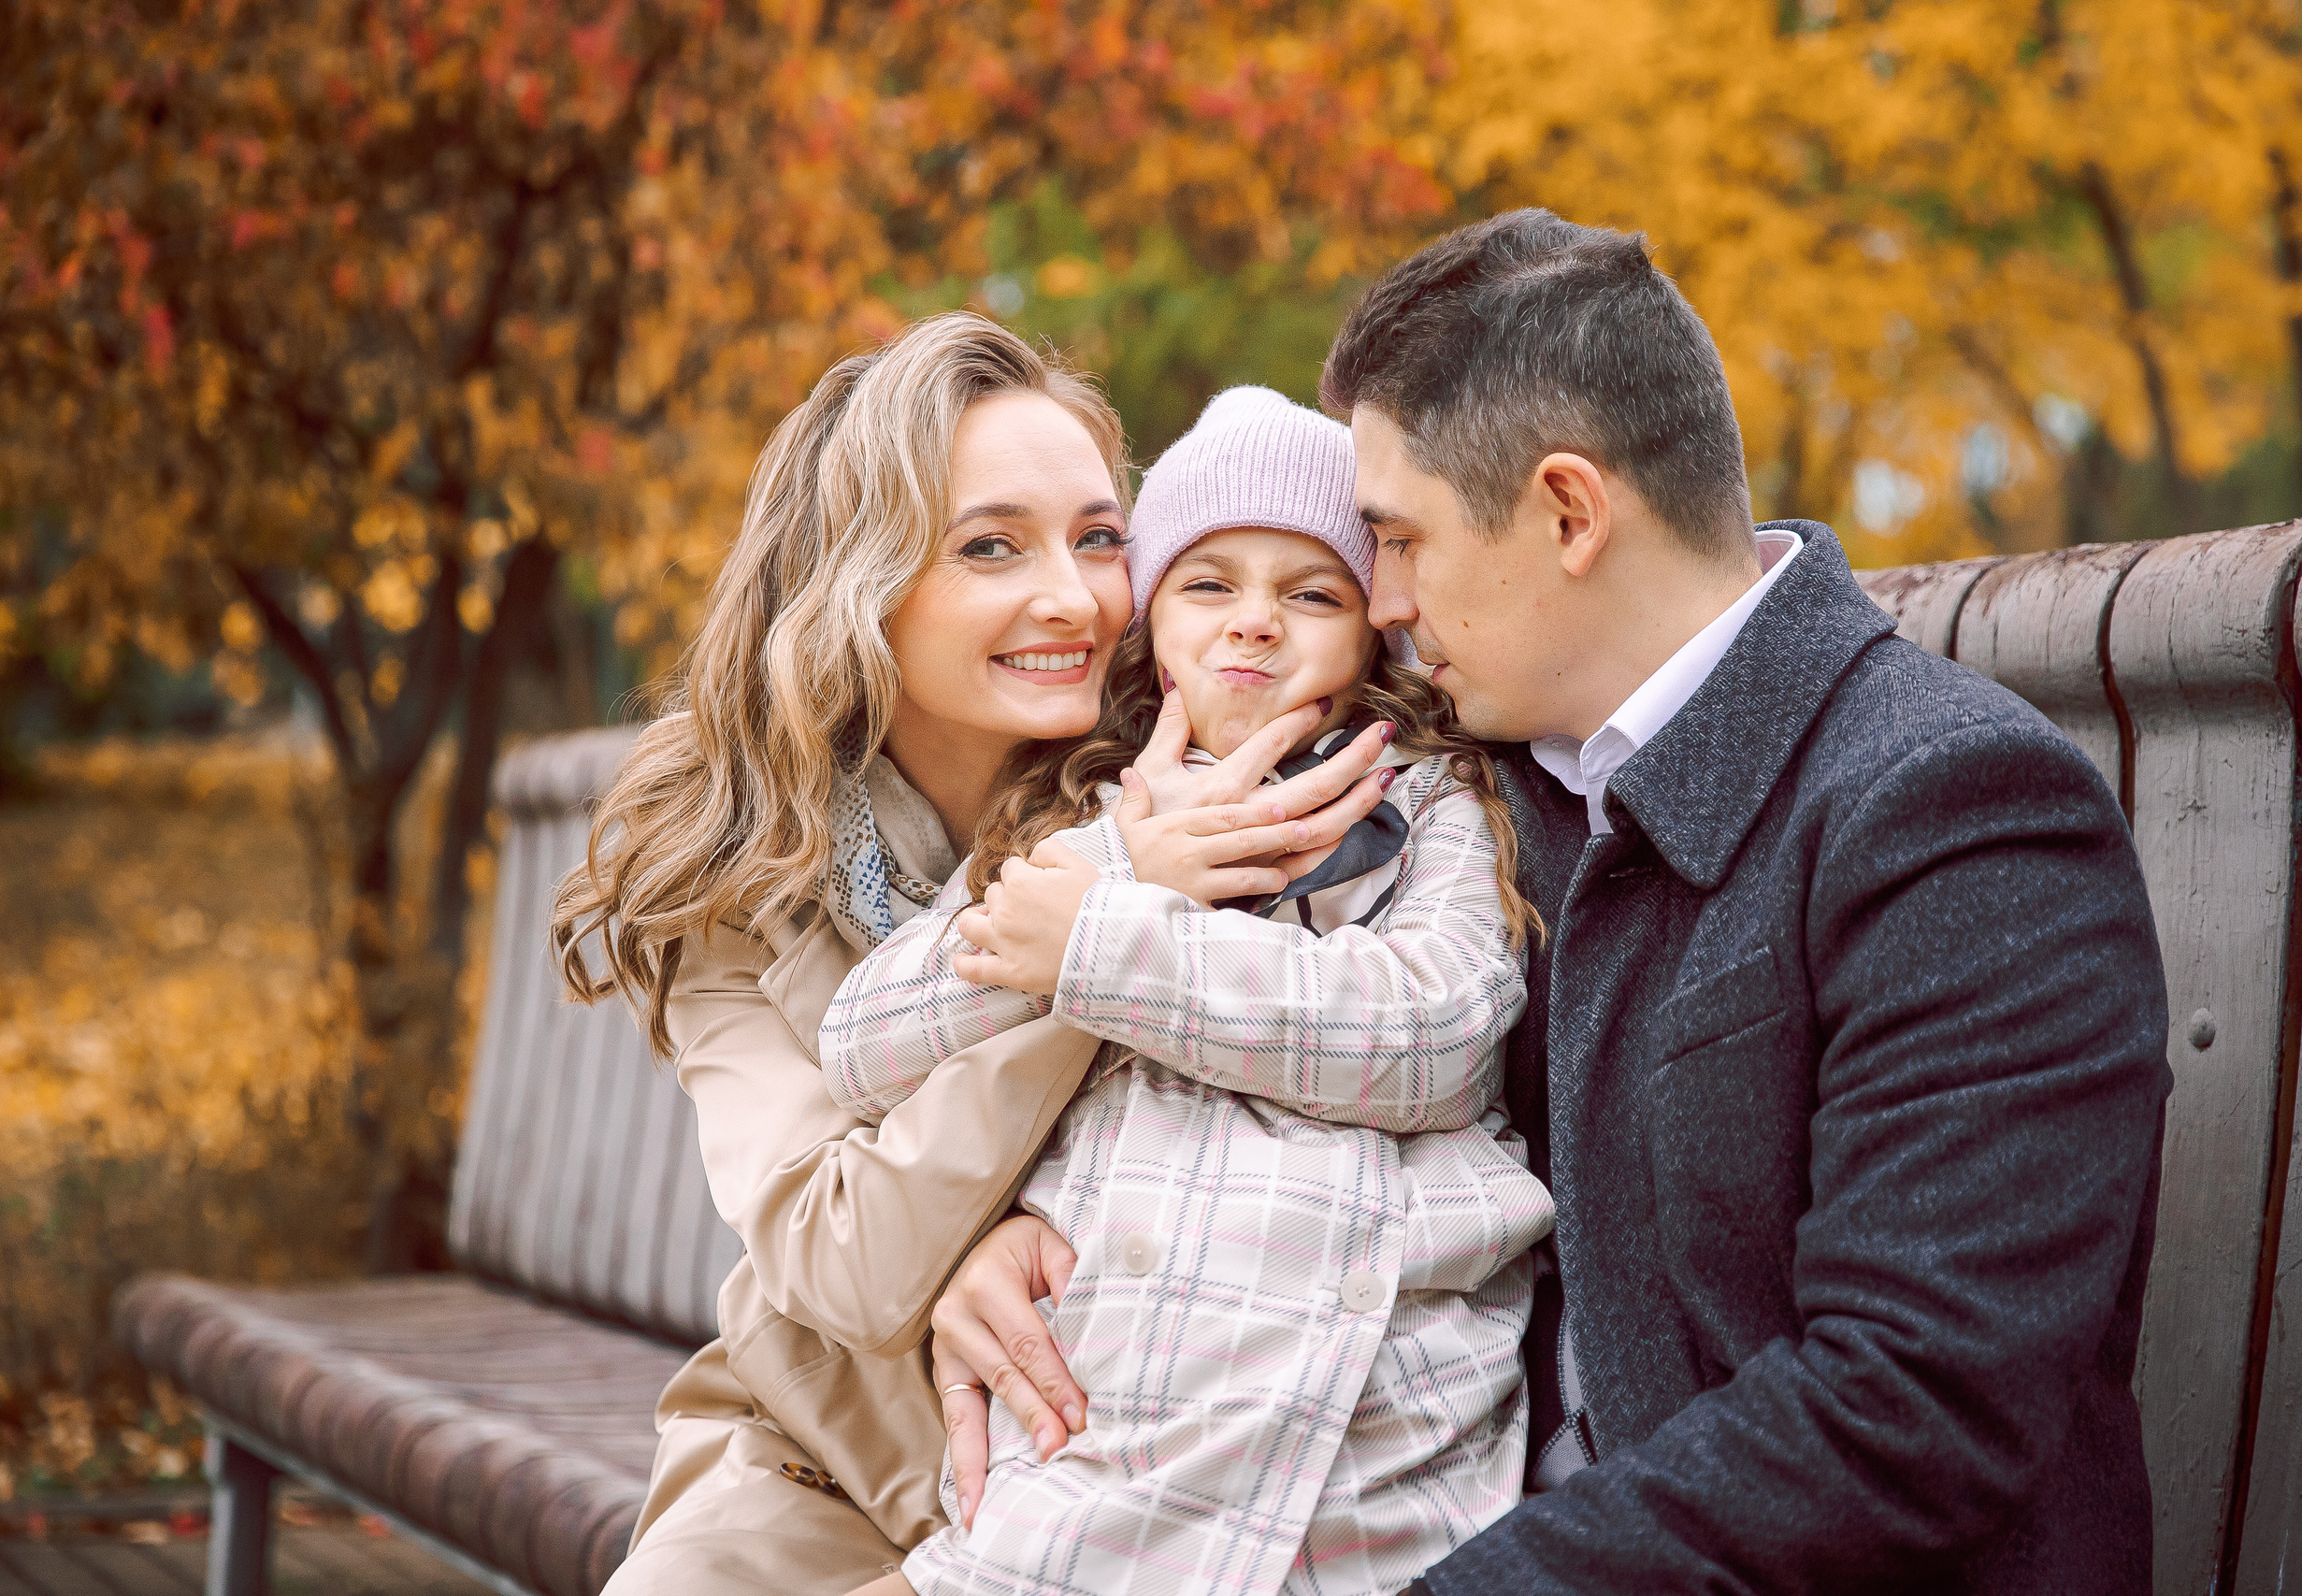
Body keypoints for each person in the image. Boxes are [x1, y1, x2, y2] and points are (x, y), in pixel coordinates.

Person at [929, 211, 2174, 1592]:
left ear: (1570, 512)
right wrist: (1003, 1240)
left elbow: (1909, 1412)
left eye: (1397, 540)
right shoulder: (1482, 791)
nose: (1384, 604)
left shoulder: (1952, 812)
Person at [550, 314, 1392, 1593]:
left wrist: (1104, 921)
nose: (1074, 597)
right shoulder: (740, 870)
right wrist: (1097, 925)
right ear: (859, 578)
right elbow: (847, 1257)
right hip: (822, 1454)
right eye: (992, 546)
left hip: (1110, 1463)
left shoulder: (1187, 770)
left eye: (1101, 539)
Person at [820, 389, 1552, 1596]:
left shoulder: (1423, 802)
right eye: (1208, 584)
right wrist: (1117, 867)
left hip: (1347, 1417)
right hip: (1106, 1398)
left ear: (1374, 629)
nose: (1254, 623)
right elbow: (863, 1044)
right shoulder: (1090, 819)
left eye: (1311, 592)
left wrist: (1106, 946)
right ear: (1152, 620)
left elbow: (1438, 1036)